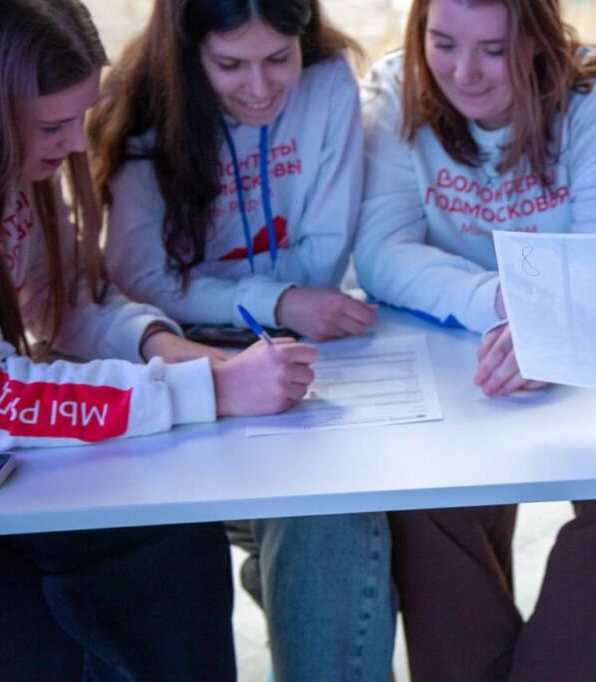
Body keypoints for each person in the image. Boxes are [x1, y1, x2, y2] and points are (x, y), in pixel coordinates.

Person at [354, 0, 596, 679]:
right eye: (443, 43)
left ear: (536, 39)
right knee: (425, 501)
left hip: (591, 358)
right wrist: (509, 304)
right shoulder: (395, 87)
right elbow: (382, 252)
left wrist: (548, 328)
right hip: (461, 360)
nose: (463, 73)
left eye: (493, 50)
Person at [0, 0, 317, 678]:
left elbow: (64, 294)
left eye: (80, 118)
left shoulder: (19, 173)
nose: (76, 145)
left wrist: (158, 346)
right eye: (52, 126)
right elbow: (7, 398)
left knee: (173, 535)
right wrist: (206, 390)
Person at [88, 1, 394, 679]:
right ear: (187, 53)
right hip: (174, 356)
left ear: (303, 38)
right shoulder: (139, 105)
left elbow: (321, 261)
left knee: (334, 514)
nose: (260, 88)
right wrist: (276, 298)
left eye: (278, 58)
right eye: (230, 64)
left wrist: (216, 289)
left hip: (296, 359)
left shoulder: (328, 84)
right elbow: (138, 279)